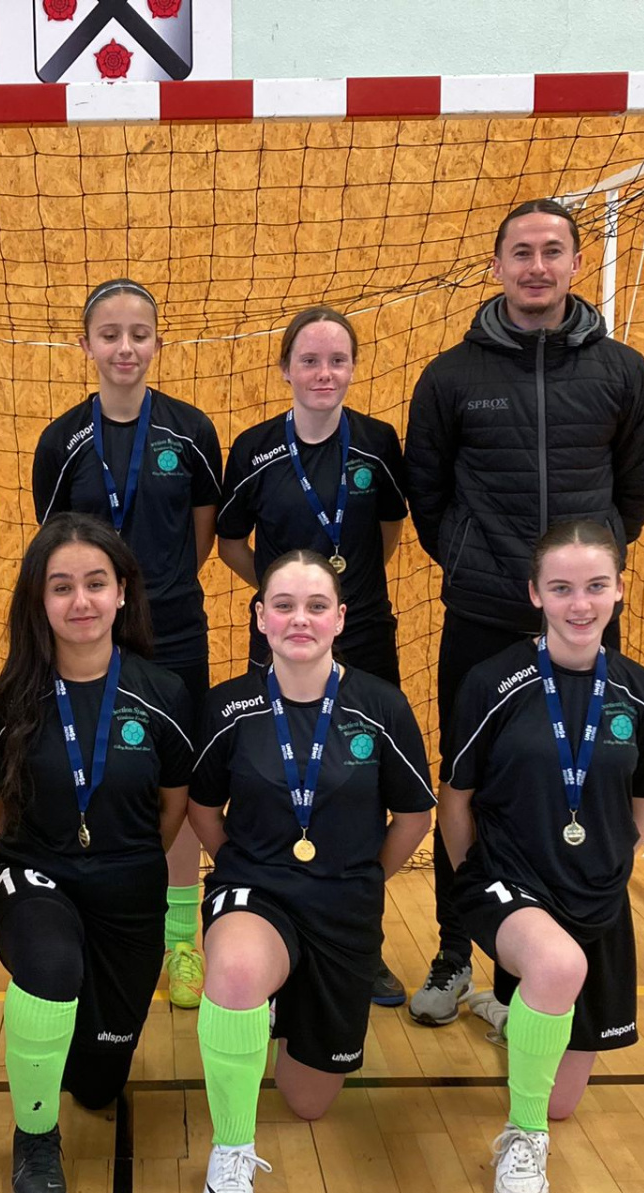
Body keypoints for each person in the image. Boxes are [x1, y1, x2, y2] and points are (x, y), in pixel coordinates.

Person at [403, 197, 644, 1029]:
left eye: (553, 250)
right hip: (483, 611)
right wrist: (475, 560)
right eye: (521, 252)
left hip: (580, 622)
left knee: (571, 786)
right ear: (497, 267)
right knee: (468, 785)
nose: (537, 266)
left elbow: (637, 489)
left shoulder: (621, 371)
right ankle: (455, 952)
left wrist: (581, 581)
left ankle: (543, 965)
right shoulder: (451, 376)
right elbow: (427, 494)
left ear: (576, 264)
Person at [187, 552, 435, 1193]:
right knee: (238, 971)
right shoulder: (230, 705)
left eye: (317, 606)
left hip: (342, 908)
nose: (301, 618)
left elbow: (415, 815)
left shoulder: (381, 706)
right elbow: (202, 809)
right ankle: (231, 1148)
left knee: (308, 1103)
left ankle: (277, 1004)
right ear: (261, 617)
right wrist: (240, 866)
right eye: (285, 605)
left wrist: (363, 877)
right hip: (255, 892)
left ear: (340, 618)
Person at [439, 520, 644, 1193]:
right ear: (535, 594)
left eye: (596, 586)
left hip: (596, 892)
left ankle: (518, 1011)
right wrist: (471, 880)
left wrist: (617, 861)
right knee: (556, 967)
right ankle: (523, 1140)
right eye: (562, 588)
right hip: (506, 879)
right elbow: (456, 799)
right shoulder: (493, 682)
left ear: (620, 590)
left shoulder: (643, 692)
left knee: (565, 1100)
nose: (580, 604)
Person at [0, 513, 194, 1193]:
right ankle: (35, 1135)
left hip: (127, 885)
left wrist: (118, 861)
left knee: (98, 1083)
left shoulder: (163, 694)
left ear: (122, 591)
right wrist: (52, 851)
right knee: (49, 963)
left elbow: (172, 808)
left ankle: (68, 1043)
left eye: (96, 583)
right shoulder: (11, 697)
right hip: (32, 870)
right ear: (39, 600)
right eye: (61, 586)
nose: (81, 601)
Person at [33, 278, 223, 1010]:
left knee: (176, 779)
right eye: (109, 334)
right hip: (90, 636)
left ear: (157, 342)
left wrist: (150, 594)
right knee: (92, 767)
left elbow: (201, 536)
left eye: (138, 334)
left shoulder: (191, 430)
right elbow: (56, 549)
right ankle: (83, 913)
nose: (124, 347)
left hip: (174, 632)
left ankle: (179, 938)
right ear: (85, 344)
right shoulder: (62, 440)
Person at [218, 304, 412, 1006]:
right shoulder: (254, 448)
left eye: (337, 360)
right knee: (279, 781)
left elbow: (388, 531)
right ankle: (272, 929)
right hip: (283, 644)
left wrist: (336, 598)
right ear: (286, 369)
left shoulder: (379, 443)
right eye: (309, 360)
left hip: (362, 637)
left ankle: (361, 941)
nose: (324, 373)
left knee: (358, 791)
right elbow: (230, 542)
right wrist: (288, 603)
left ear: (353, 368)